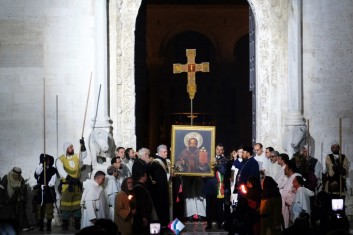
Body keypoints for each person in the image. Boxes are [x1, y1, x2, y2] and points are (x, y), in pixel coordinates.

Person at [56, 139, 87, 230]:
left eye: (72, 147)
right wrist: (70, 179)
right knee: (65, 205)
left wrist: (83, 145)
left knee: (77, 205)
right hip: (67, 186)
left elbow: (84, 155)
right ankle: (65, 224)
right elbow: (61, 171)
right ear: (66, 149)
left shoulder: (76, 157)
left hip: (76, 186)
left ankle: (77, 223)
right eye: (70, 147)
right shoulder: (60, 159)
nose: (72, 148)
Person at [0, 167, 33, 231]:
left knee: (19, 212)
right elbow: (1, 191)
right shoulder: (6, 178)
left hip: (16, 199)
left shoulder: (21, 180)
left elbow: (23, 190)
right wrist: (0, 202)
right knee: (8, 214)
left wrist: (21, 197)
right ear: (12, 173)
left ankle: (22, 226)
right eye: (15, 175)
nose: (17, 177)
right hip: (6, 199)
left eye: (18, 175)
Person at [34, 154, 57, 231]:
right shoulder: (40, 168)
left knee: (49, 209)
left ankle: (48, 226)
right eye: (46, 159)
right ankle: (41, 226)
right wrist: (41, 163)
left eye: (48, 159)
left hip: (49, 191)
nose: (48, 161)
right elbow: (37, 173)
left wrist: (48, 185)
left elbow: (53, 180)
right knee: (40, 209)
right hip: (40, 191)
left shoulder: (53, 169)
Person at [149, 145, 170, 228]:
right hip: (160, 190)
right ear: (159, 152)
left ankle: (167, 223)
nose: (166, 153)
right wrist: (169, 176)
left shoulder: (166, 161)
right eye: (164, 152)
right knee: (161, 207)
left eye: (167, 151)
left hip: (166, 188)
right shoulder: (156, 163)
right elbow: (160, 178)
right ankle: (163, 225)